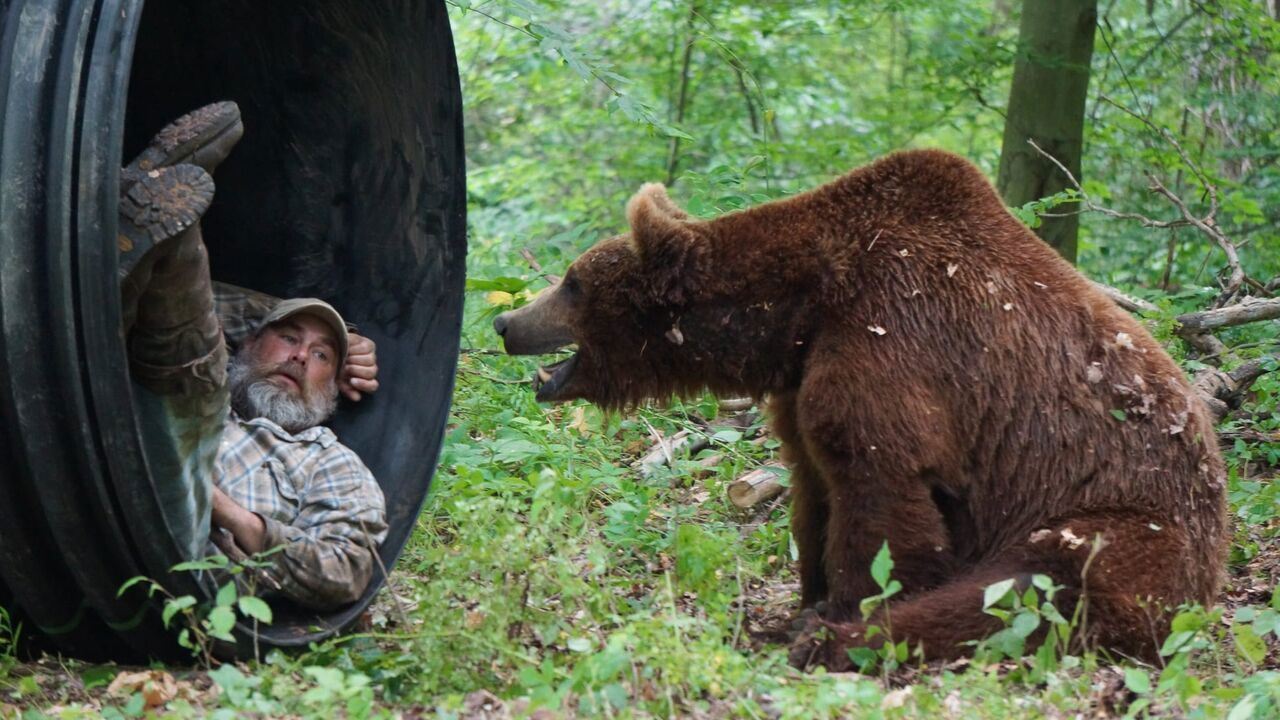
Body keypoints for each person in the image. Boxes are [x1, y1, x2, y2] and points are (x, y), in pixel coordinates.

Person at [118, 102, 387, 610]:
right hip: (109, 452)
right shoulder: (225, 355)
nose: (302, 356)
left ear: (334, 389)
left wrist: (235, 517)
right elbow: (216, 308)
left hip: (184, 546)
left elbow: (349, 567)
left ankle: (151, 200)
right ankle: (151, 214)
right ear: (247, 340)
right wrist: (343, 332)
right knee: (148, 344)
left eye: (324, 356)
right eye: (287, 337)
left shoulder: (327, 460)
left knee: (190, 393)